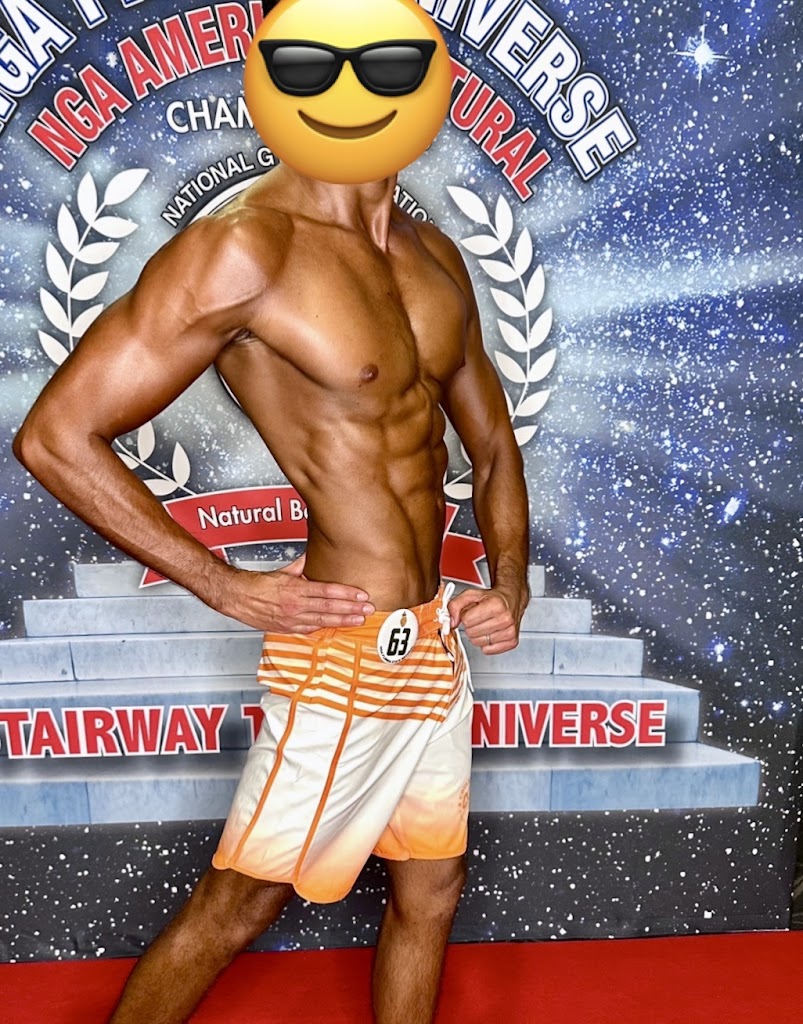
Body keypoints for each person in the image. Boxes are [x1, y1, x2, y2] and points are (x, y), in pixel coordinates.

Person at [13, 4, 530, 1022]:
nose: (353, 87)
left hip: (432, 644)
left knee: (431, 889)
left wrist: (506, 584)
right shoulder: (243, 248)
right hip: (341, 647)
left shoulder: (433, 255)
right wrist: (222, 584)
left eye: (387, 62)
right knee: (240, 902)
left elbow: (494, 446)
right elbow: (55, 436)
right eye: (312, 62)